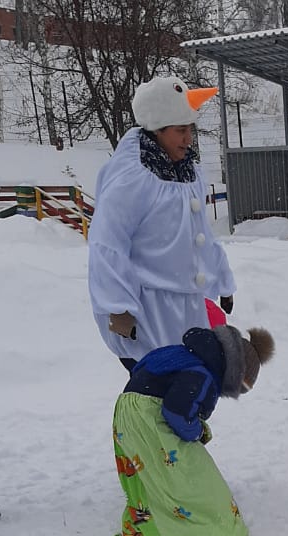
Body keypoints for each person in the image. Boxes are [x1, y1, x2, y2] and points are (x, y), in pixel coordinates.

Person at [88, 77, 236, 371]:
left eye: (189, 129)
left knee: (190, 390)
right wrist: (118, 308)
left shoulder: (189, 172)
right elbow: (107, 243)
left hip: (188, 307)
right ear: (157, 131)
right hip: (148, 310)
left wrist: (221, 277)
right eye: (180, 131)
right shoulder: (131, 178)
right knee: (158, 396)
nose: (188, 139)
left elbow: (201, 235)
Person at [111, 323, 274, 536]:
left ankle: (145, 525)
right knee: (193, 477)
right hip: (148, 418)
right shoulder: (202, 374)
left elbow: (144, 373)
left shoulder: (187, 355)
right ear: (233, 372)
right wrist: (196, 431)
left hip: (128, 414)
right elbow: (176, 413)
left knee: (152, 477)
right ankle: (196, 532)